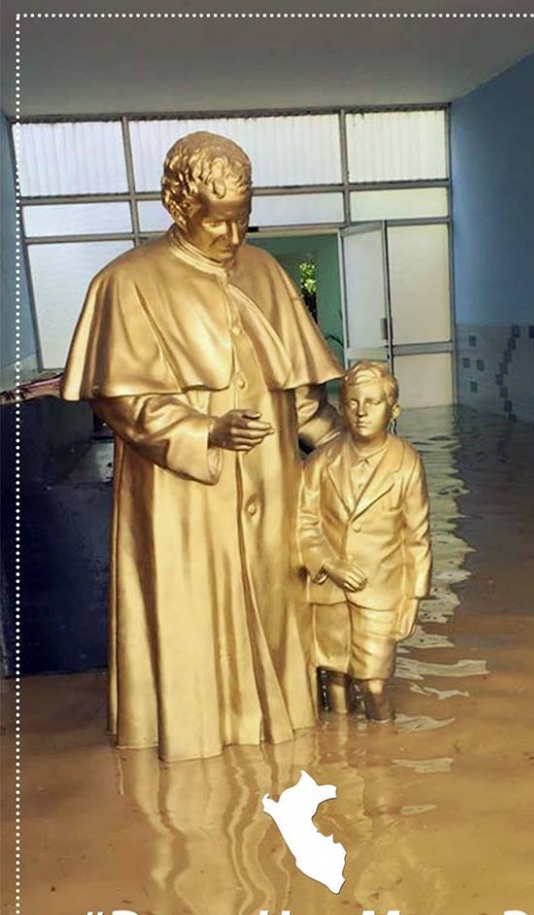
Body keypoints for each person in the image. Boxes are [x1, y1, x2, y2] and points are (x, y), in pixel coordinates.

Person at [61, 131, 342, 762]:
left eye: (243, 220)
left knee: (276, 599)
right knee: (190, 609)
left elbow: (295, 390)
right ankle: (195, 733)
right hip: (182, 487)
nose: (233, 239)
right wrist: (201, 430)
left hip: (271, 480)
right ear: (179, 207)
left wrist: (342, 450)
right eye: (218, 223)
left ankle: (281, 723)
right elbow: (120, 401)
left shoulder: (265, 271)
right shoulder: (127, 282)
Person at [298, 361, 432, 721]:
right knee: (334, 679)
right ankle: (344, 758)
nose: (361, 412)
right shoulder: (322, 460)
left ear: (393, 410)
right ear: (342, 408)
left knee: (373, 683)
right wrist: (329, 564)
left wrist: (413, 600)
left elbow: (416, 537)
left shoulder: (406, 463)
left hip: (381, 593)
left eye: (373, 403)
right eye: (353, 402)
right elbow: (303, 522)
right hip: (328, 592)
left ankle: (383, 750)